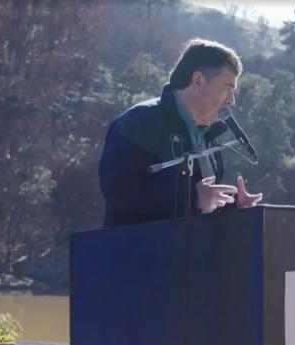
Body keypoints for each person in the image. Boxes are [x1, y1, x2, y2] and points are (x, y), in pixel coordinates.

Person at [99, 38, 262, 227]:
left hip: (193, 254)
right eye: (227, 89)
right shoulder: (140, 121)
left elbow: (201, 207)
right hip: (138, 253)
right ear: (198, 80)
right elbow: (118, 191)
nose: (231, 100)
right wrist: (192, 198)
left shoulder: (209, 137)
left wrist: (233, 207)